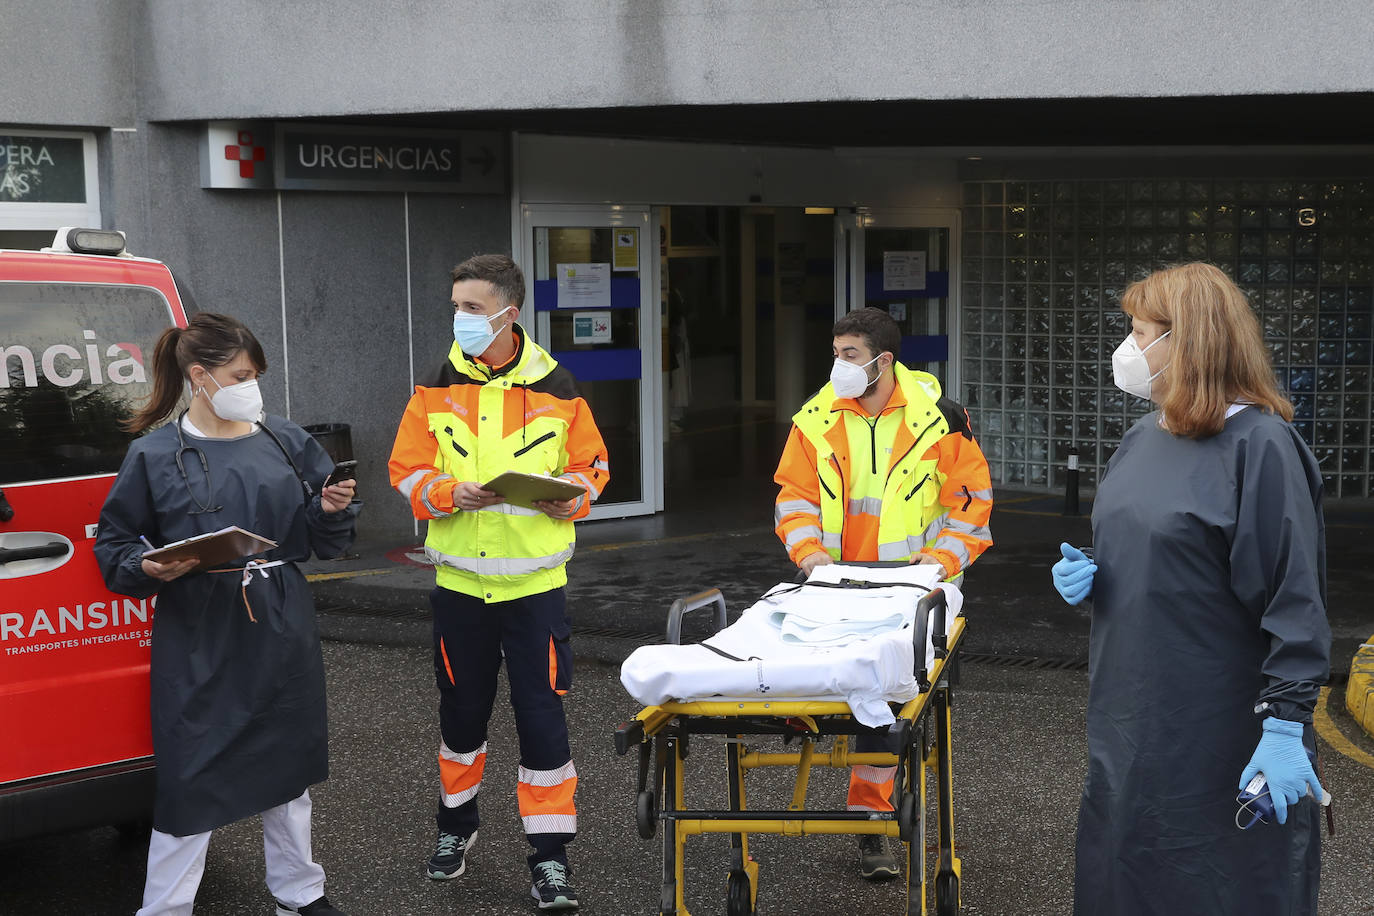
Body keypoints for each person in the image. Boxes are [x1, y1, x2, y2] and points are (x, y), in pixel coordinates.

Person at [1051, 262, 1329, 915]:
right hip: (1130, 717)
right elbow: (1172, 540)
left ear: (1189, 342)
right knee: (1127, 871)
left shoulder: (1261, 447)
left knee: (1220, 883)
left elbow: (1293, 594)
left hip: (1218, 727)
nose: (1128, 348)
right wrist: (1096, 569)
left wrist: (1286, 723)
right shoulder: (1143, 438)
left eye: (1143, 331)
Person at [94, 313, 360, 916]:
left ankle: (299, 893)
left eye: (257, 375)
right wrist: (145, 567)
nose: (253, 386)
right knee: (193, 775)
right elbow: (113, 545)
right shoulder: (153, 454)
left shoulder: (285, 439)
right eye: (241, 374)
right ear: (199, 376)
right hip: (200, 631)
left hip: (281, 622)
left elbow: (327, 539)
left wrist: (333, 506)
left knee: (285, 766)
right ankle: (165, 908)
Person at [388, 254, 608, 911]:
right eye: (457, 307)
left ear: (509, 315)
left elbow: (591, 464)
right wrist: (447, 491)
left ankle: (550, 859)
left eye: (473, 309)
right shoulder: (434, 384)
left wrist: (573, 495)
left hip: (534, 590)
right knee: (461, 716)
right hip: (460, 588)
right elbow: (405, 468)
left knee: (543, 725)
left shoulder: (559, 385)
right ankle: (456, 829)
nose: (461, 320)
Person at [772, 305, 993, 879]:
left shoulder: (941, 419)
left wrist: (938, 563)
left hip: (909, 590)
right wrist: (809, 554)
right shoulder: (816, 419)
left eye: (850, 354)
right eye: (836, 352)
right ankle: (827, 735)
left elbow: (969, 504)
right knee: (838, 691)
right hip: (834, 584)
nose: (838, 364)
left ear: (884, 360)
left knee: (886, 707)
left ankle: (871, 821)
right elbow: (793, 498)